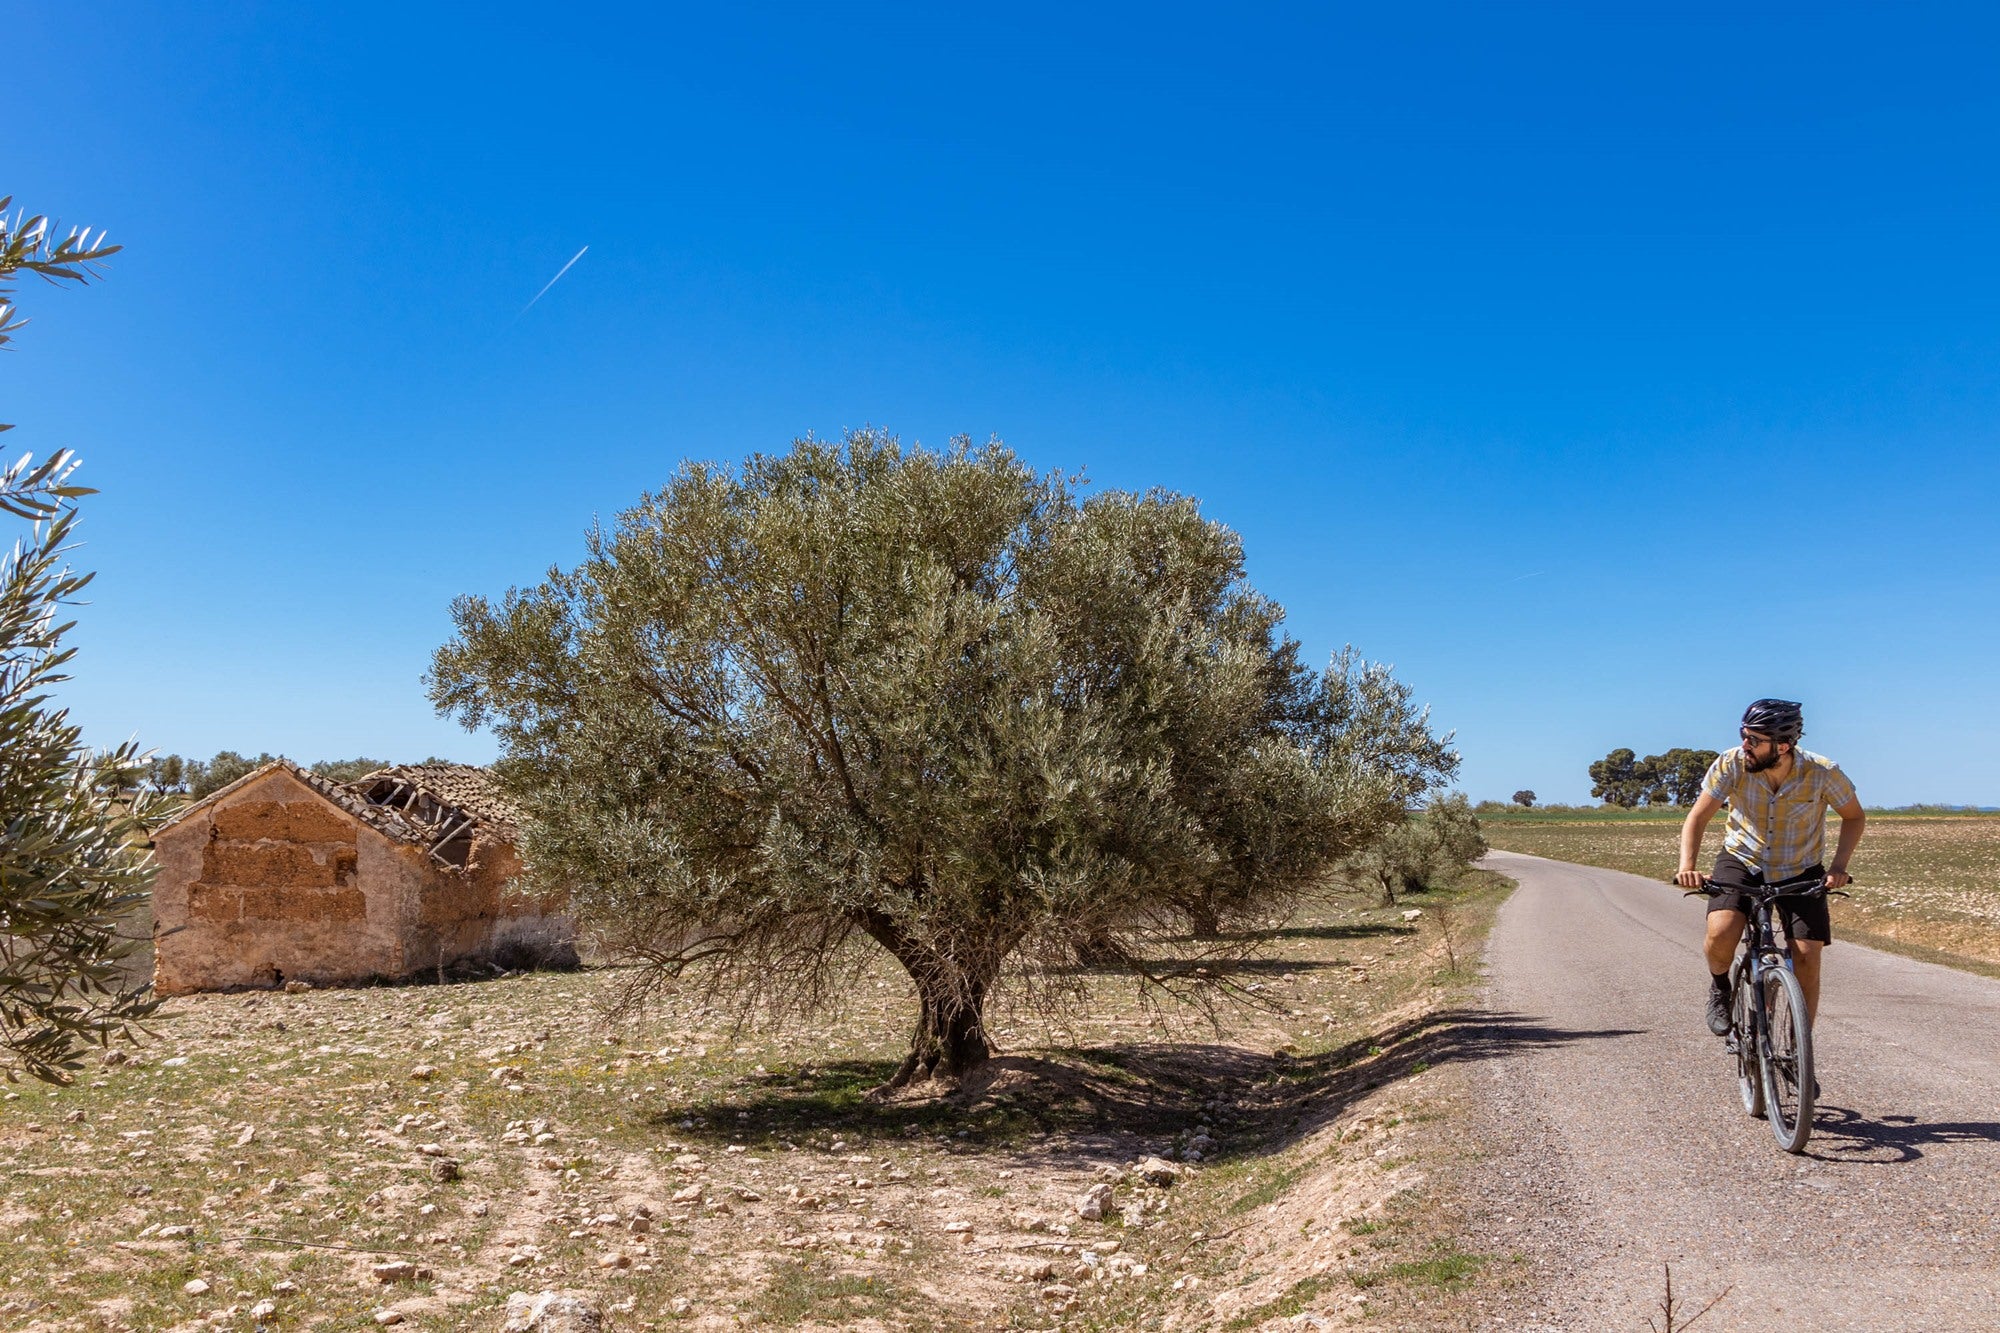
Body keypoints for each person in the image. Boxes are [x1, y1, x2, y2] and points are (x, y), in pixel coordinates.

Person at [1674, 699, 1865, 1037]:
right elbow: (1698, 817)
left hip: (1800, 866)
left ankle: (1797, 1048)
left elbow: (1854, 816)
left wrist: (1838, 867)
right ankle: (1720, 988)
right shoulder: (1731, 764)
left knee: (1807, 957)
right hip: (1742, 859)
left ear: (1783, 745)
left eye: (1754, 740)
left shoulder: (1822, 772)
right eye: (1744, 736)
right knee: (1721, 931)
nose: (1745, 746)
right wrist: (1687, 866)